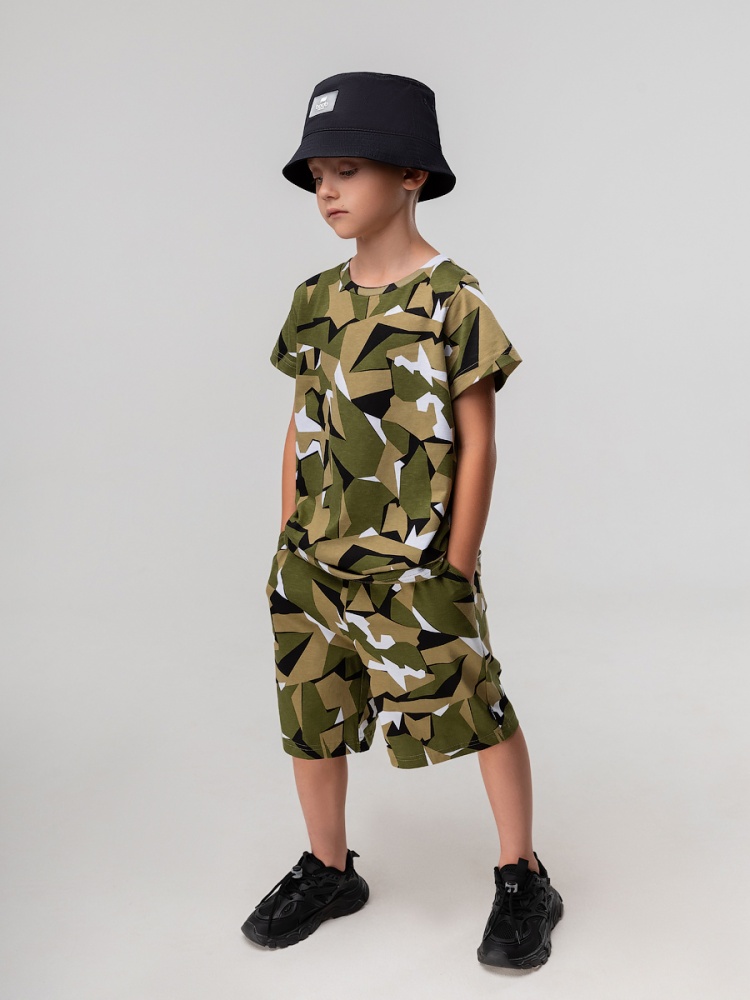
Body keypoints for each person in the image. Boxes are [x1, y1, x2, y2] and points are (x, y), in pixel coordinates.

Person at [241, 71, 563, 970]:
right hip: (312, 562)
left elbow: (478, 439)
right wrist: (287, 540)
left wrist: (455, 563)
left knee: (476, 706)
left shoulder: (452, 300)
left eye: (347, 170)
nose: (327, 192)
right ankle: (328, 866)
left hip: (416, 566)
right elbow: (302, 421)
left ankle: (523, 874)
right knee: (311, 713)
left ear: (413, 174)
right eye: (318, 176)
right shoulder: (314, 299)